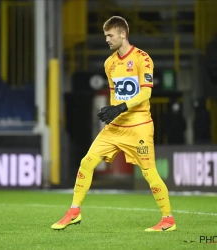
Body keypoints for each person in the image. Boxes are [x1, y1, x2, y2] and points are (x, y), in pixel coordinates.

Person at [51, 16, 176, 232]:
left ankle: (168, 220)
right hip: (115, 127)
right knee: (87, 162)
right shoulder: (109, 63)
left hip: (139, 126)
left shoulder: (142, 58)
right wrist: (111, 110)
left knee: (149, 173)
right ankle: (74, 212)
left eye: (110, 35)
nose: (107, 39)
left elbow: (146, 91)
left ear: (122, 34)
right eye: (105, 36)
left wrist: (120, 108)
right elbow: (114, 92)